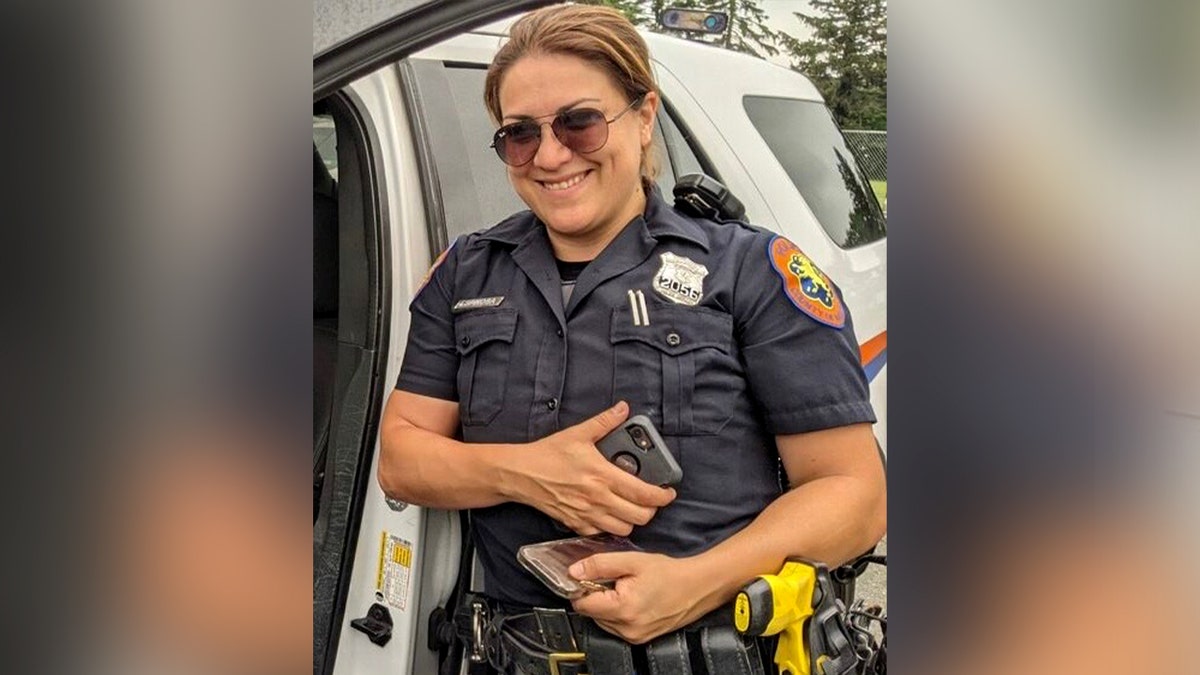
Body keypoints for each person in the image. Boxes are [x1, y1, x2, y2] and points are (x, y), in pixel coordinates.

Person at [378, 5, 886, 673]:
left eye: (579, 122)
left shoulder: (749, 271)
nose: (550, 155)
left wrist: (698, 582)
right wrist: (525, 473)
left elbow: (856, 493)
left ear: (644, 117)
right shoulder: (466, 273)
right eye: (520, 134)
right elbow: (402, 457)